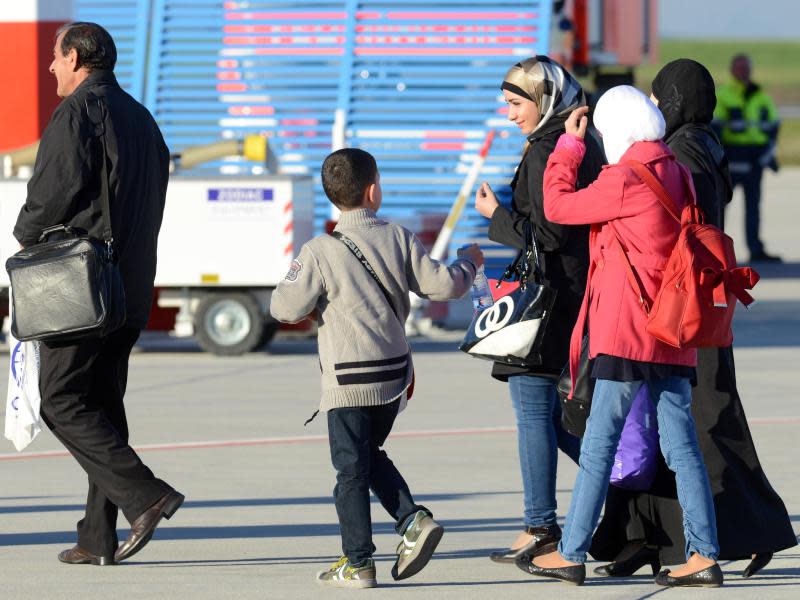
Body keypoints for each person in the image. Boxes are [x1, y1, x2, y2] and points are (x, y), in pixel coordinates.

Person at [590, 58, 797, 579]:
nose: (654, 106)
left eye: (660, 98)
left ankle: (751, 530)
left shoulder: (683, 152)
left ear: (677, 101)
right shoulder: (704, 144)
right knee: (661, 423)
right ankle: (644, 536)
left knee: (699, 421)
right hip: (694, 305)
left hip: (682, 310)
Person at [519, 86, 723, 587]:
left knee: (599, 444)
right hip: (672, 332)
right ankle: (705, 554)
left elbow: (558, 207)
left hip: (628, 333)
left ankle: (571, 552)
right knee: (682, 449)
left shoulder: (629, 177)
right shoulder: (677, 173)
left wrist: (568, 148)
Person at [270, 148, 482, 589]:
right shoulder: (398, 236)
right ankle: (411, 521)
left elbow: (283, 307)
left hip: (349, 383)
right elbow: (442, 286)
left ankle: (359, 561)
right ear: (372, 191)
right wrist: (469, 263)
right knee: (367, 457)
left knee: (349, 473)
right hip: (393, 378)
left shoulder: (319, 251)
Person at [13, 22, 182, 566]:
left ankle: (146, 494)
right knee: (104, 406)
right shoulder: (143, 118)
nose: (50, 67)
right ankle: (97, 537)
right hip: (129, 289)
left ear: (77, 58)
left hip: (81, 292)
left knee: (61, 400)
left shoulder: (76, 113)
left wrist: (26, 235)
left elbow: (50, 194)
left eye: (55, 57)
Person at [473, 56, 603, 563]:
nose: (509, 114)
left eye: (515, 103)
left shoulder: (549, 149)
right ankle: (621, 486)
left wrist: (496, 217)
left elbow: (548, 233)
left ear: (543, 99)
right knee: (555, 416)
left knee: (533, 413)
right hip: (571, 293)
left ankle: (540, 524)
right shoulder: (580, 143)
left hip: (546, 300)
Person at [713, 53, 782, 263]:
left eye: (747, 68)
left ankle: (756, 249)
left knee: (753, 207)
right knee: (720, 207)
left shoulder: (760, 96)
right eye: (740, 68)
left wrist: (767, 153)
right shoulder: (723, 95)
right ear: (732, 70)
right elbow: (716, 129)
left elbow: (773, 124)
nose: (744, 72)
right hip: (732, 159)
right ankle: (714, 250)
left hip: (755, 160)